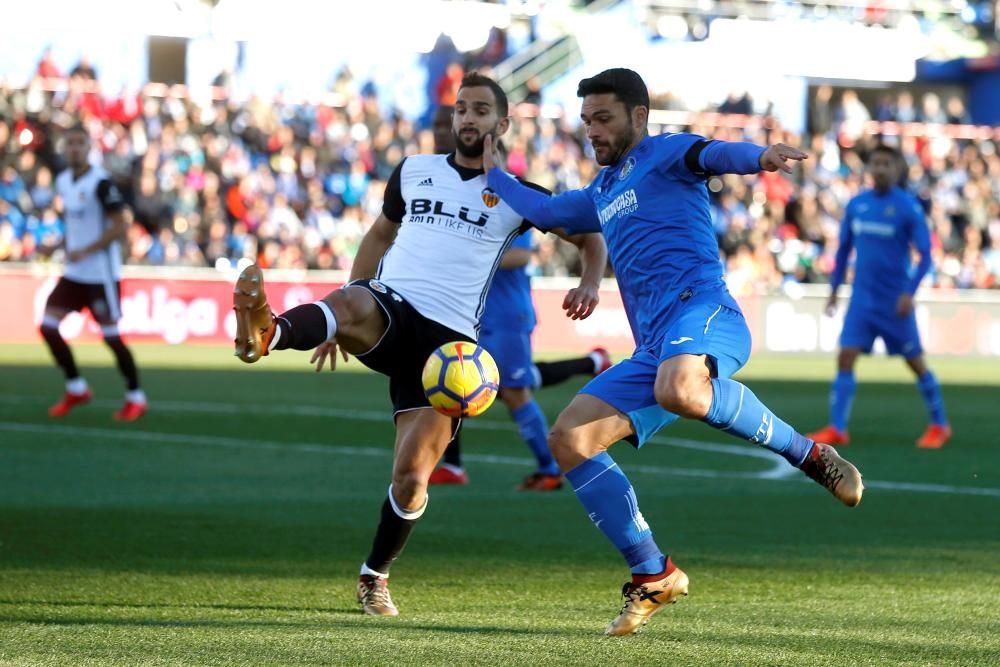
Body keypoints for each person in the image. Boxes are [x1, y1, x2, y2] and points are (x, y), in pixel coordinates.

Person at [481, 68, 864, 636]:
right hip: (655, 349)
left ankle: (809, 454)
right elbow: (550, 213)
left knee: (680, 387)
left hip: (706, 313)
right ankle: (653, 572)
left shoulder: (665, 152)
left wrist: (759, 157)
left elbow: (713, 154)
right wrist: (493, 172)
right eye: (586, 120)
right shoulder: (602, 192)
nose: (592, 130)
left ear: (638, 116)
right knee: (569, 439)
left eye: (603, 118)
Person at [231, 73, 607, 617]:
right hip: (391, 305)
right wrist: (338, 316)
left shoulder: (517, 194)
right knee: (352, 302)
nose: (467, 118)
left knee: (410, 478)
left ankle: (374, 575)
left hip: (449, 351)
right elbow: (379, 236)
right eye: (461, 109)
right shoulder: (413, 171)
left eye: (480, 110)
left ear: (502, 124)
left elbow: (589, 234)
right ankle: (269, 333)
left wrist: (590, 281)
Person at [427, 104, 612, 490]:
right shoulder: (444, 188)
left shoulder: (512, 193)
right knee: (455, 381)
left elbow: (522, 255)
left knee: (513, 390)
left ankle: (549, 468)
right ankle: (454, 465)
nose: (444, 132)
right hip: (470, 315)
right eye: (439, 125)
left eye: (450, 124)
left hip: (506, 314)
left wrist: (465, 253)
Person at [807, 144, 949, 449]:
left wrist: (909, 293)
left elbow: (926, 256)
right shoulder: (857, 205)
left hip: (894, 301)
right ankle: (838, 428)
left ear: (896, 170)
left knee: (915, 362)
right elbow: (843, 251)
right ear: (869, 168)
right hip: (862, 299)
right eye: (876, 163)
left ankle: (939, 424)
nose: (881, 168)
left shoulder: (908, 207)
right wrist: (834, 292)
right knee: (846, 356)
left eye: (887, 163)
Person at [41, 125, 146, 421]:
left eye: (80, 143)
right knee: (48, 326)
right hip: (74, 272)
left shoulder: (101, 183)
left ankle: (136, 397)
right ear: (64, 148)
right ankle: (76, 387)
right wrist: (60, 245)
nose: (74, 148)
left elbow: (120, 225)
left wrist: (86, 250)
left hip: (101, 274)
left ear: (89, 148)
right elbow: (75, 225)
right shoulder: (64, 181)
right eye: (70, 143)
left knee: (111, 336)